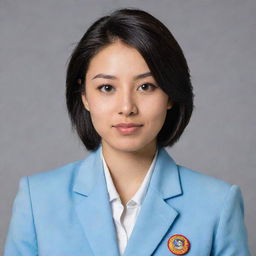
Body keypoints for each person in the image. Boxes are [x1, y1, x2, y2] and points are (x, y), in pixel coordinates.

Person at [4, 8, 251, 256]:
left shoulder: (218, 204)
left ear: (170, 96)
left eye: (146, 86)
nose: (127, 108)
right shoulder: (38, 199)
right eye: (107, 87)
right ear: (84, 97)